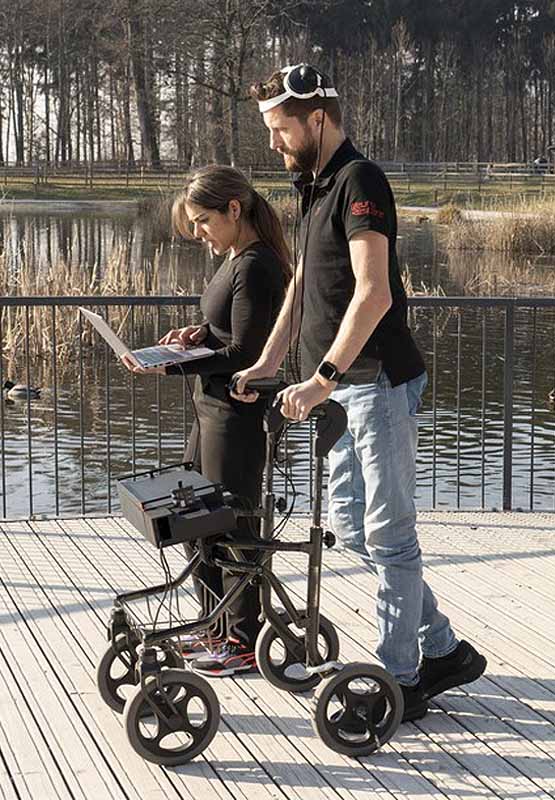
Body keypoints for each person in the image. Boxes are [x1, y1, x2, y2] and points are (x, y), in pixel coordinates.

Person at [232, 64, 486, 722]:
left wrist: (323, 379)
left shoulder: (360, 182)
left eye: (279, 129)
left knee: (391, 536)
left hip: (374, 382)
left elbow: (373, 293)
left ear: (316, 119)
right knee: (354, 528)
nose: (274, 142)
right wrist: (269, 363)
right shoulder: (314, 187)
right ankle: (443, 649)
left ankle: (399, 682)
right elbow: (303, 290)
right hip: (340, 392)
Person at [123, 165, 290, 676]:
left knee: (232, 524)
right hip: (210, 410)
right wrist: (198, 336)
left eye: (202, 222)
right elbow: (227, 334)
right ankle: (213, 625)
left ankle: (241, 639)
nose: (198, 233)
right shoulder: (236, 258)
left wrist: (170, 362)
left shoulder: (258, 264)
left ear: (233, 211)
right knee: (199, 522)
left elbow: (248, 350)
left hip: (237, 418)